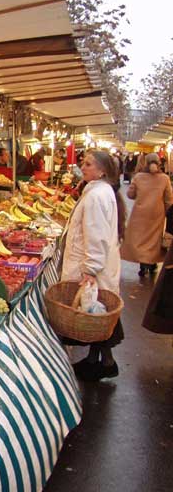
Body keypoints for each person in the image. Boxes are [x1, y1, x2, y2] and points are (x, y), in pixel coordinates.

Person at [61, 150, 126, 381]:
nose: (83, 166)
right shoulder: (100, 191)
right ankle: (94, 361)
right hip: (99, 266)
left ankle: (106, 363)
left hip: (94, 267)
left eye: (89, 164)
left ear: (102, 170)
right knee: (97, 313)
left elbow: (96, 236)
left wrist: (90, 269)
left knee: (94, 316)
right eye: (84, 163)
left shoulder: (97, 196)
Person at [121, 153, 173, 276]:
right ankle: (151, 263)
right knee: (153, 240)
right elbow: (168, 199)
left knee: (140, 239)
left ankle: (143, 265)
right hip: (157, 214)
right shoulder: (164, 178)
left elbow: (130, 195)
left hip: (140, 213)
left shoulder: (138, 177)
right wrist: (168, 213)